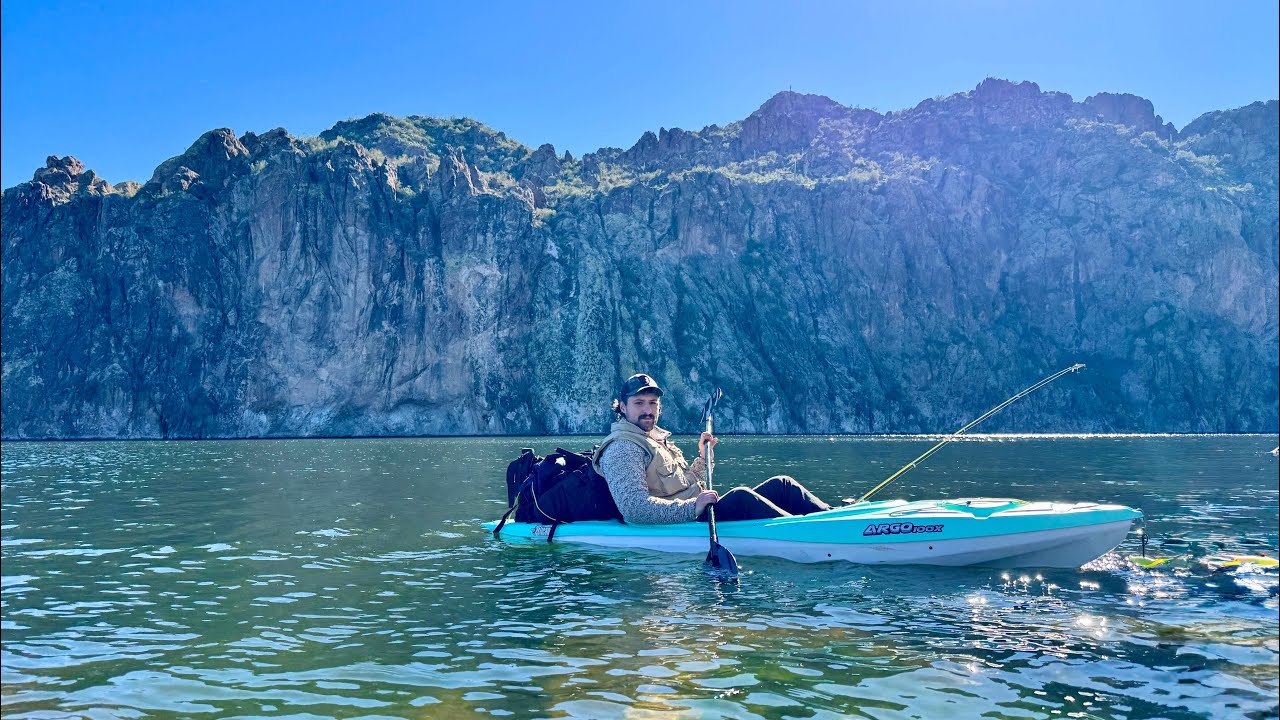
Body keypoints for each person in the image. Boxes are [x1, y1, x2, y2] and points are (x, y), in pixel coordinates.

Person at [593, 373, 832, 524]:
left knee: (783, 485)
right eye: (639, 403)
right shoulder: (623, 447)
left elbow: (684, 483)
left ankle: (833, 516)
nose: (648, 409)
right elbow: (635, 509)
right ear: (622, 407)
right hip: (686, 521)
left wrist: (704, 458)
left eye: (653, 403)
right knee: (741, 497)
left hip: (699, 510)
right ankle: (811, 532)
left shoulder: (654, 438)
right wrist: (692, 508)